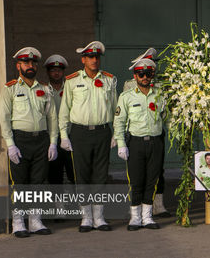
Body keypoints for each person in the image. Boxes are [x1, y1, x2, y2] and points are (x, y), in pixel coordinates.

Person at [58, 41, 117, 232]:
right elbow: (64, 110)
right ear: (83, 59)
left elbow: (117, 109)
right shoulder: (72, 80)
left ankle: (99, 216)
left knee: (100, 175)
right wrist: (63, 136)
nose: (94, 60)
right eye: (90, 57)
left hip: (102, 131)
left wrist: (116, 133)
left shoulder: (109, 80)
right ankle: (86, 217)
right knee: (82, 175)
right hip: (80, 132)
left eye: (97, 57)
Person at [0, 47, 58, 237]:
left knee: (38, 182)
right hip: (20, 141)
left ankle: (35, 221)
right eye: (26, 63)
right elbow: (4, 118)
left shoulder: (44, 89)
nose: (30, 66)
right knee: (20, 183)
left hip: (41, 140)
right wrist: (10, 144)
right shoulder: (10, 89)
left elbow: (52, 118)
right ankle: (18, 222)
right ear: (18, 66)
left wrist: (53, 142)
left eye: (33, 63)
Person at [114, 58, 164, 231]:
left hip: (156, 142)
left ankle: (147, 216)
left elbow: (168, 118)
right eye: (141, 73)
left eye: (148, 73)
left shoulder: (160, 94)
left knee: (152, 180)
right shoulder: (126, 96)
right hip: (135, 143)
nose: (145, 77)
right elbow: (119, 122)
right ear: (135, 75)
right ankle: (135, 217)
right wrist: (121, 144)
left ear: (152, 75)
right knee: (136, 180)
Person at [123, 48, 170, 217]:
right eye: (142, 72)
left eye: (150, 70)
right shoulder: (130, 86)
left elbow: (167, 112)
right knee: (137, 175)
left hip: (156, 133)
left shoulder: (161, 85)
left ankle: (157, 206)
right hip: (137, 135)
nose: (146, 75)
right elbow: (123, 113)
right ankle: (136, 213)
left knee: (156, 172)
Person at [43, 55, 74, 185]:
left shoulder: (71, 88)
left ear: (63, 72)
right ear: (48, 72)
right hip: (50, 139)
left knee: (74, 174)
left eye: (59, 70)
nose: (56, 73)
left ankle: (78, 203)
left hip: (70, 136)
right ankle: (58, 205)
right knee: (54, 176)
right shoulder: (42, 89)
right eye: (53, 70)